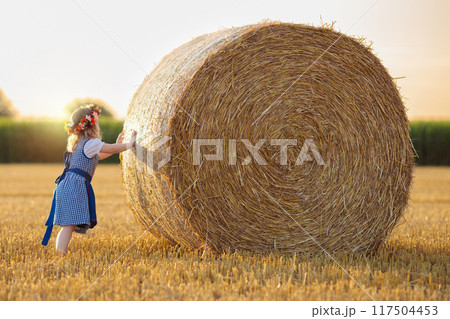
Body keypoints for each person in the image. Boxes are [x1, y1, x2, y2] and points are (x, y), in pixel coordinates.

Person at [41, 104, 136, 254]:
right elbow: (110, 149)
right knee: (68, 226)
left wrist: (119, 145)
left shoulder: (79, 143)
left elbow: (100, 156)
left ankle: (60, 252)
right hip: (73, 186)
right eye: (97, 122)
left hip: (66, 185)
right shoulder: (91, 143)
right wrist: (128, 145)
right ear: (91, 126)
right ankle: (60, 253)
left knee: (68, 226)